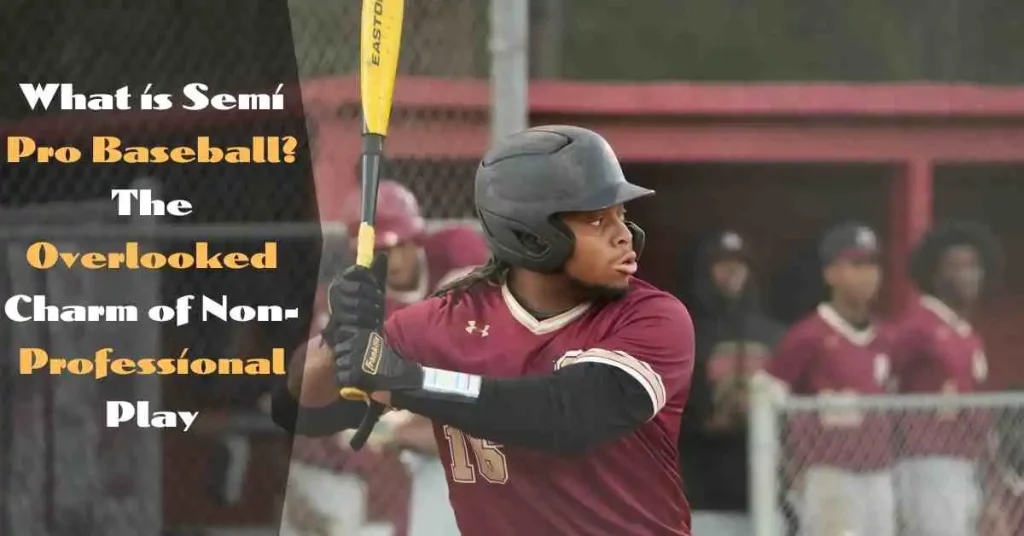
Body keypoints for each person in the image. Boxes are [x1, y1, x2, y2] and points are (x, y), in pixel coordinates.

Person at [274, 125, 695, 535]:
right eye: (598, 221)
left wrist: (412, 382)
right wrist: (337, 338)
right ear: (532, 237)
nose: (625, 236)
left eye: (621, 216)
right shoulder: (445, 321)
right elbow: (302, 411)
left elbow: (571, 415)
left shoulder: (652, 317)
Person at [286, 180, 487, 536]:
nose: (392, 260)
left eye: (400, 245)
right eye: (379, 250)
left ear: (417, 238)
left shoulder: (456, 250)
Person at [763, 223, 896, 536]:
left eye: (873, 265)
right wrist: (788, 465)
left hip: (879, 472)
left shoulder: (887, 337)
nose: (868, 274)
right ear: (831, 273)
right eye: (856, 265)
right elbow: (767, 402)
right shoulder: (807, 335)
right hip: (828, 472)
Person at [891, 221, 1001, 536]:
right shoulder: (918, 328)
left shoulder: (968, 335)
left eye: (973, 266)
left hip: (967, 461)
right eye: (957, 267)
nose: (969, 275)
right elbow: (885, 384)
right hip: (927, 459)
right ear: (935, 276)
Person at [678, 230, 784, 536]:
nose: (732, 270)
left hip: (763, 481)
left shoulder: (773, 334)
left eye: (739, 262)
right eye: (722, 263)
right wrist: (706, 422)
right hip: (705, 479)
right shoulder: (685, 333)